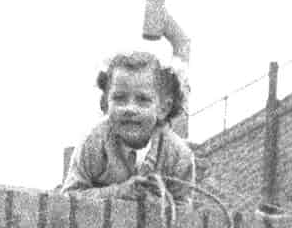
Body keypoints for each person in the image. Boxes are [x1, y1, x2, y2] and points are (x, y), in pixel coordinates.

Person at [59, 47, 194, 196]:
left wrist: (157, 203)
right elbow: (68, 197)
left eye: (142, 99)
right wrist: (120, 191)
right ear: (105, 103)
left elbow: (183, 209)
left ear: (163, 108)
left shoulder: (178, 155)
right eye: (119, 98)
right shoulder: (94, 142)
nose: (129, 109)